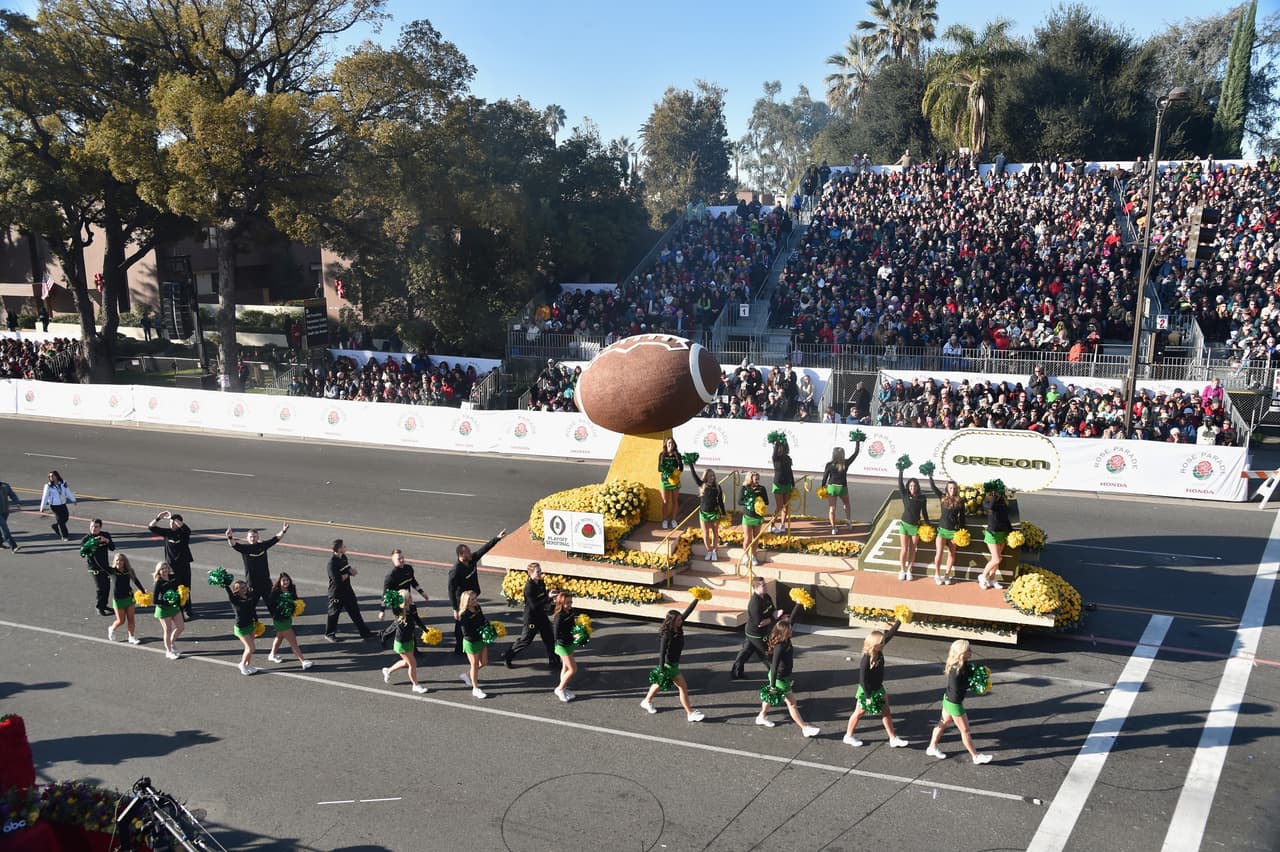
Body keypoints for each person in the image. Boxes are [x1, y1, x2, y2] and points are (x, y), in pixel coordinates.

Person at [843, 620, 908, 748]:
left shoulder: (878, 652)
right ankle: (848, 736)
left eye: (883, 642)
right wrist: (867, 697)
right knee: (859, 713)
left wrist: (899, 621)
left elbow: (890, 635)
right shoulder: (866, 660)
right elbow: (863, 680)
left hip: (878, 688)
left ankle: (893, 738)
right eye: (881, 643)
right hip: (867, 691)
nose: (884, 644)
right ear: (875, 645)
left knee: (886, 712)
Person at [926, 639, 993, 764]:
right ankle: (975, 756)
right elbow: (960, 687)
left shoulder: (961, 664)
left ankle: (932, 747)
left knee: (943, 723)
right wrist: (975, 683)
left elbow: (969, 672)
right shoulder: (957, 672)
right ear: (961, 654)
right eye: (968, 650)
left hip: (948, 699)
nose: (971, 651)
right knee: (965, 731)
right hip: (954, 704)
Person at [639, 599, 706, 722]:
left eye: (681, 619)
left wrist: (697, 598)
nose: (681, 621)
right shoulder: (666, 634)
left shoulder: (678, 626)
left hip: (674, 664)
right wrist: (661, 669)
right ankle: (690, 713)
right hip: (669, 666)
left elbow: (688, 611)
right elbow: (662, 652)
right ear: (673, 622)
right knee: (683, 688)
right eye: (679, 620)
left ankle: (646, 701)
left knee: (658, 684)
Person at [756, 615, 819, 737]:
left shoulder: (786, 641)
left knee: (768, 699)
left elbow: (790, 620)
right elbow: (773, 667)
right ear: (784, 633)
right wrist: (773, 686)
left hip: (783, 677)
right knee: (792, 703)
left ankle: (761, 716)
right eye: (789, 630)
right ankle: (804, 728)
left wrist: (798, 604)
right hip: (779, 679)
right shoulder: (780, 646)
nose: (792, 631)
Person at [447, 529, 506, 655]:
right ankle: (459, 647)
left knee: (477, 616)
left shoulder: (471, 559)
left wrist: (497, 538)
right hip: (462, 601)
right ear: (461, 555)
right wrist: (455, 608)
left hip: (472, 597)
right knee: (460, 624)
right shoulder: (455, 571)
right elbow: (451, 590)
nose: (470, 553)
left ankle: (480, 637)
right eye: (467, 552)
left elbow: (483, 550)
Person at [503, 562, 558, 671]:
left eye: (540, 571)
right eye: (538, 571)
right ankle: (508, 656)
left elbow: (542, 597)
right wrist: (548, 597)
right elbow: (534, 605)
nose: (540, 573)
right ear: (531, 573)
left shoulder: (541, 583)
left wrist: (550, 594)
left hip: (541, 616)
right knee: (525, 641)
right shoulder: (529, 587)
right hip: (531, 618)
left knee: (549, 638)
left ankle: (554, 661)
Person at [226, 523, 289, 610]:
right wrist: (229, 537)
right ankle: (251, 622)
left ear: (258, 537)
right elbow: (234, 545)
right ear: (247, 538)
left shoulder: (263, 546)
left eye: (255, 536)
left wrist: (284, 530)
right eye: (251, 536)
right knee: (250, 606)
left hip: (265, 582)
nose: (253, 538)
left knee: (272, 604)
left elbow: (275, 539)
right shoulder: (245, 548)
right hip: (252, 584)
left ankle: (278, 621)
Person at [731, 576, 781, 679]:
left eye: (765, 584)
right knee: (767, 654)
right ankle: (777, 677)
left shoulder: (766, 597)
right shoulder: (754, 603)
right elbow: (760, 623)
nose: (765, 587)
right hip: (755, 633)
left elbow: (773, 610)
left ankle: (736, 672)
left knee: (746, 652)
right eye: (763, 585)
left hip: (763, 632)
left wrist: (779, 615)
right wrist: (773, 618)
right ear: (755, 588)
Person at [148, 511, 195, 619]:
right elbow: (151, 527)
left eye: (174, 522)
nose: (171, 524)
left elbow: (187, 530)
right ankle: (179, 611)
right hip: (171, 567)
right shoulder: (167, 532)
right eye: (170, 522)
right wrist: (158, 518)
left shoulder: (183, 533)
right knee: (175, 588)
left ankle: (188, 609)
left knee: (186, 588)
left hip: (184, 565)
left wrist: (174, 518)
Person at [324, 539, 374, 641]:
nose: (345, 547)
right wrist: (349, 574)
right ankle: (329, 634)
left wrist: (351, 571)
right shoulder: (332, 563)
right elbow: (337, 579)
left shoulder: (344, 558)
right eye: (343, 546)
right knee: (333, 614)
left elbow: (347, 568)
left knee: (355, 611)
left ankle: (364, 632)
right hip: (336, 593)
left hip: (347, 591)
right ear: (338, 549)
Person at [381, 600, 431, 693]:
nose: (411, 600)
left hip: (410, 640)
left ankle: (388, 670)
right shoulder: (398, 611)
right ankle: (415, 685)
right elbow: (389, 601)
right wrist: (382, 610)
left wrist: (425, 630)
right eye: (408, 598)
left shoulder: (412, 607)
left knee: (406, 662)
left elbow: (417, 619)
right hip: (401, 643)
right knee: (412, 664)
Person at [266, 572, 313, 669]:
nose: (286, 582)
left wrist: (295, 608)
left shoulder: (291, 589)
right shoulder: (275, 592)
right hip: (279, 620)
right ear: (279, 582)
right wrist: (280, 613)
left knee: (279, 637)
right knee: (293, 641)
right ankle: (303, 661)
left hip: (288, 618)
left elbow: (295, 600)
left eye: (287, 580)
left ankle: (272, 655)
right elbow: (271, 607)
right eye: (283, 580)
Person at [687, 460, 725, 561]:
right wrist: (691, 464)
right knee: (706, 534)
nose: (712, 478)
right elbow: (694, 476)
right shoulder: (702, 485)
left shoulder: (718, 487)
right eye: (710, 476)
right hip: (703, 514)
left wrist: (724, 513)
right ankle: (709, 550)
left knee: (715, 533)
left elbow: (720, 501)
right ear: (706, 477)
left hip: (715, 513)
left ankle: (714, 551)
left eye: (713, 476)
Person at [821, 440, 862, 534]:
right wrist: (857, 442)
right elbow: (855, 453)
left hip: (832, 487)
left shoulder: (829, 465)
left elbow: (825, 477)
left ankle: (833, 528)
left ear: (833, 455)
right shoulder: (845, 463)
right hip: (842, 487)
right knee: (846, 504)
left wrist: (823, 486)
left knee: (832, 508)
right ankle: (848, 521)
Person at [457, 590, 491, 699]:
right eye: (472, 599)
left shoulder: (477, 607)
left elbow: (483, 620)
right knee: (475, 665)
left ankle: (467, 675)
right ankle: (475, 689)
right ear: (466, 601)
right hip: (471, 642)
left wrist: (489, 628)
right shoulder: (463, 614)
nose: (475, 601)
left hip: (480, 639)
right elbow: (466, 632)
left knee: (484, 662)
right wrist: (481, 632)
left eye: (475, 598)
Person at [931, 475, 965, 586]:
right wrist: (930, 476)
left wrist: (962, 532)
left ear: (957, 489)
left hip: (953, 532)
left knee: (951, 554)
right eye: (950, 488)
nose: (952, 490)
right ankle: (937, 574)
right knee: (939, 553)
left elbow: (962, 518)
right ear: (947, 489)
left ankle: (947, 575)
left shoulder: (960, 501)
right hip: (942, 531)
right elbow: (933, 487)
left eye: (954, 488)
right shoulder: (942, 497)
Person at [896, 464, 928, 581]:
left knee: (913, 549)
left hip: (916, 527)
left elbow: (924, 512)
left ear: (917, 487)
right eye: (910, 486)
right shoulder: (905, 495)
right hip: (904, 525)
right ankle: (902, 570)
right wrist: (901, 471)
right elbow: (899, 483)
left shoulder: (922, 497)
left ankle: (909, 570)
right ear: (908, 487)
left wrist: (928, 523)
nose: (912, 488)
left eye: (914, 486)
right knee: (904, 549)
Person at [106, 553, 146, 644]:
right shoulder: (112, 571)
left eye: (121, 560)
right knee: (121, 620)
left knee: (131, 618)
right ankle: (112, 628)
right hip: (118, 599)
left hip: (129, 597)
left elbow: (136, 581)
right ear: (114, 561)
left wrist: (143, 591)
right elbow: (102, 565)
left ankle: (131, 637)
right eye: (117, 560)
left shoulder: (129, 571)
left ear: (124, 562)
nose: (119, 562)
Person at [224, 579, 260, 675]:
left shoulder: (249, 596)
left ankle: (248, 664)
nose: (245, 589)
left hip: (250, 625)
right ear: (237, 589)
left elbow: (252, 609)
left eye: (245, 586)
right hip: (241, 628)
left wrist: (256, 621)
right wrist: (224, 583)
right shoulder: (234, 599)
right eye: (242, 587)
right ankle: (242, 664)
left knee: (249, 648)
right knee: (251, 648)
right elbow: (228, 592)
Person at [81, 518, 116, 617]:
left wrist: (106, 540)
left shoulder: (105, 535)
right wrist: (91, 544)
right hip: (94, 568)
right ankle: (99, 607)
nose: (93, 528)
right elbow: (83, 553)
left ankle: (104, 605)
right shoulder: (86, 539)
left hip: (105, 567)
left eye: (96, 527)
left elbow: (112, 548)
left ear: (100, 527)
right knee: (101, 588)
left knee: (107, 587)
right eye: (92, 526)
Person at [981, 482, 1012, 589]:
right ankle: (983, 576)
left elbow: (1006, 518)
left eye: (1000, 491)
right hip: (991, 534)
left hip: (1001, 533)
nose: (999, 493)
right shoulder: (987, 501)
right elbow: (990, 506)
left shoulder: (1002, 502)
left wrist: (1011, 531)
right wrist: (993, 496)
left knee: (998, 558)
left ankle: (992, 579)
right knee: (997, 559)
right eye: (997, 491)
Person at [152, 561, 185, 660]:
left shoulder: (173, 577)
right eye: (162, 569)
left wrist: (180, 598)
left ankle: (171, 643)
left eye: (166, 568)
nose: (165, 570)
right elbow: (155, 600)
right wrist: (167, 602)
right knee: (168, 630)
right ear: (159, 571)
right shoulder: (159, 582)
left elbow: (178, 589)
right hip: (163, 609)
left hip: (174, 607)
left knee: (181, 627)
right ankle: (168, 651)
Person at [551, 591, 580, 702]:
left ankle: (562, 687)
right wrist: (572, 635)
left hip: (569, 643)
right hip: (562, 646)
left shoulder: (570, 612)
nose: (570, 604)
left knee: (566, 667)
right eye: (567, 603)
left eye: (571, 602)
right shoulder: (559, 617)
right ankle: (560, 689)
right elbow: (556, 635)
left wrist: (579, 632)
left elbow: (572, 626)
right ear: (561, 603)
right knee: (573, 669)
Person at [740, 471, 770, 566]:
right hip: (748, 516)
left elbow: (767, 502)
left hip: (757, 517)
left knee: (756, 538)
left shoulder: (762, 489)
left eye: (758, 479)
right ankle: (745, 556)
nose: (757, 480)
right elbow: (739, 501)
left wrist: (759, 501)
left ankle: (753, 556)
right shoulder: (744, 488)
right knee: (748, 538)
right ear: (750, 479)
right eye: (756, 479)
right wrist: (750, 501)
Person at [39, 470, 76, 541]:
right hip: (54, 506)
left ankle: (55, 526)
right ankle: (65, 536)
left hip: (62, 504)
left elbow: (68, 491)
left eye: (52, 475)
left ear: (56, 476)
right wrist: (42, 507)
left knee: (66, 518)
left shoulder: (63, 483)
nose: (51, 477)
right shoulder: (48, 486)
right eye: (49, 476)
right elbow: (45, 496)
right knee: (61, 521)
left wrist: (73, 499)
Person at [657, 437, 684, 529]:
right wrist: (667, 471)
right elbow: (659, 468)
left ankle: (673, 520)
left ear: (674, 444)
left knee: (675, 501)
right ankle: (664, 520)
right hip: (665, 481)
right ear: (666, 444)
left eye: (672, 443)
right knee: (665, 501)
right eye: (669, 443)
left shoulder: (677, 455)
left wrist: (674, 472)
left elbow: (681, 468)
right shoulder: (662, 455)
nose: (670, 445)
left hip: (675, 481)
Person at [769, 435, 795, 532]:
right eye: (779, 447)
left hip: (787, 484)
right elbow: (775, 452)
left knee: (786, 506)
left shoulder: (788, 458)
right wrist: (776, 442)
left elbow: (790, 471)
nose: (781, 448)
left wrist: (792, 483)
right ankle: (771, 525)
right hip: (778, 484)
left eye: (782, 446)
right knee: (779, 506)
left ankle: (783, 525)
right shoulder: (775, 458)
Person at [0, 478, 20, 552]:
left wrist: (17, 502)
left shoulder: (5, 486)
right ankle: (13, 546)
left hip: (5, 511)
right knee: (4, 529)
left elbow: (12, 494)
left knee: (2, 527)